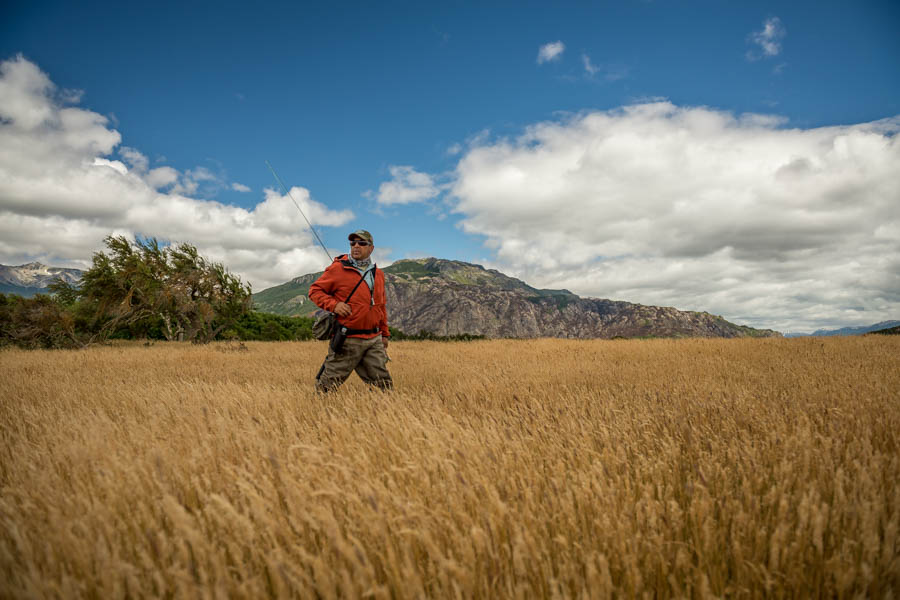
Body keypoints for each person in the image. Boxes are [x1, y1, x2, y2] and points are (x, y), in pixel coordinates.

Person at [308, 229, 393, 392]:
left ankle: (380, 417)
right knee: (327, 388)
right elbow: (315, 291)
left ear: (371, 248)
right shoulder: (337, 269)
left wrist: (384, 333)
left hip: (373, 339)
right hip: (347, 338)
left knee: (384, 387)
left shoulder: (378, 274)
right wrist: (334, 305)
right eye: (353, 243)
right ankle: (317, 415)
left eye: (362, 243)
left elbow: (381, 305)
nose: (356, 246)